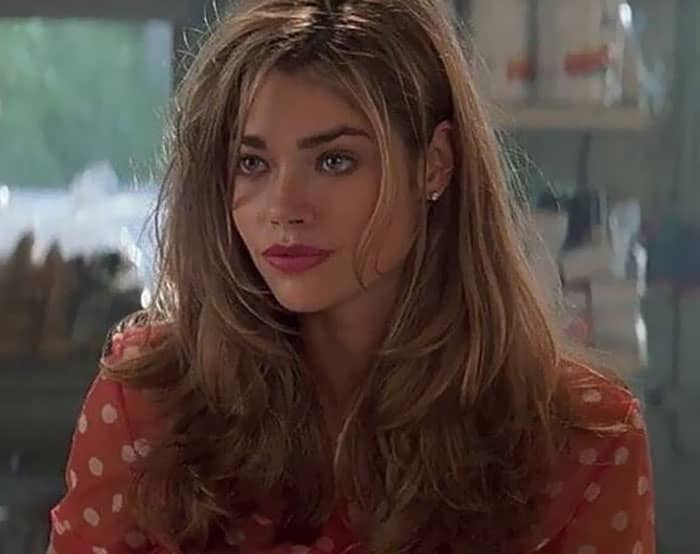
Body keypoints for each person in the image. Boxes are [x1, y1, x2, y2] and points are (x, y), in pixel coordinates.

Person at [48, 1, 655, 553]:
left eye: (334, 161)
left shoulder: (583, 441)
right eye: (252, 163)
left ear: (435, 164)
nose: (284, 208)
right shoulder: (147, 405)